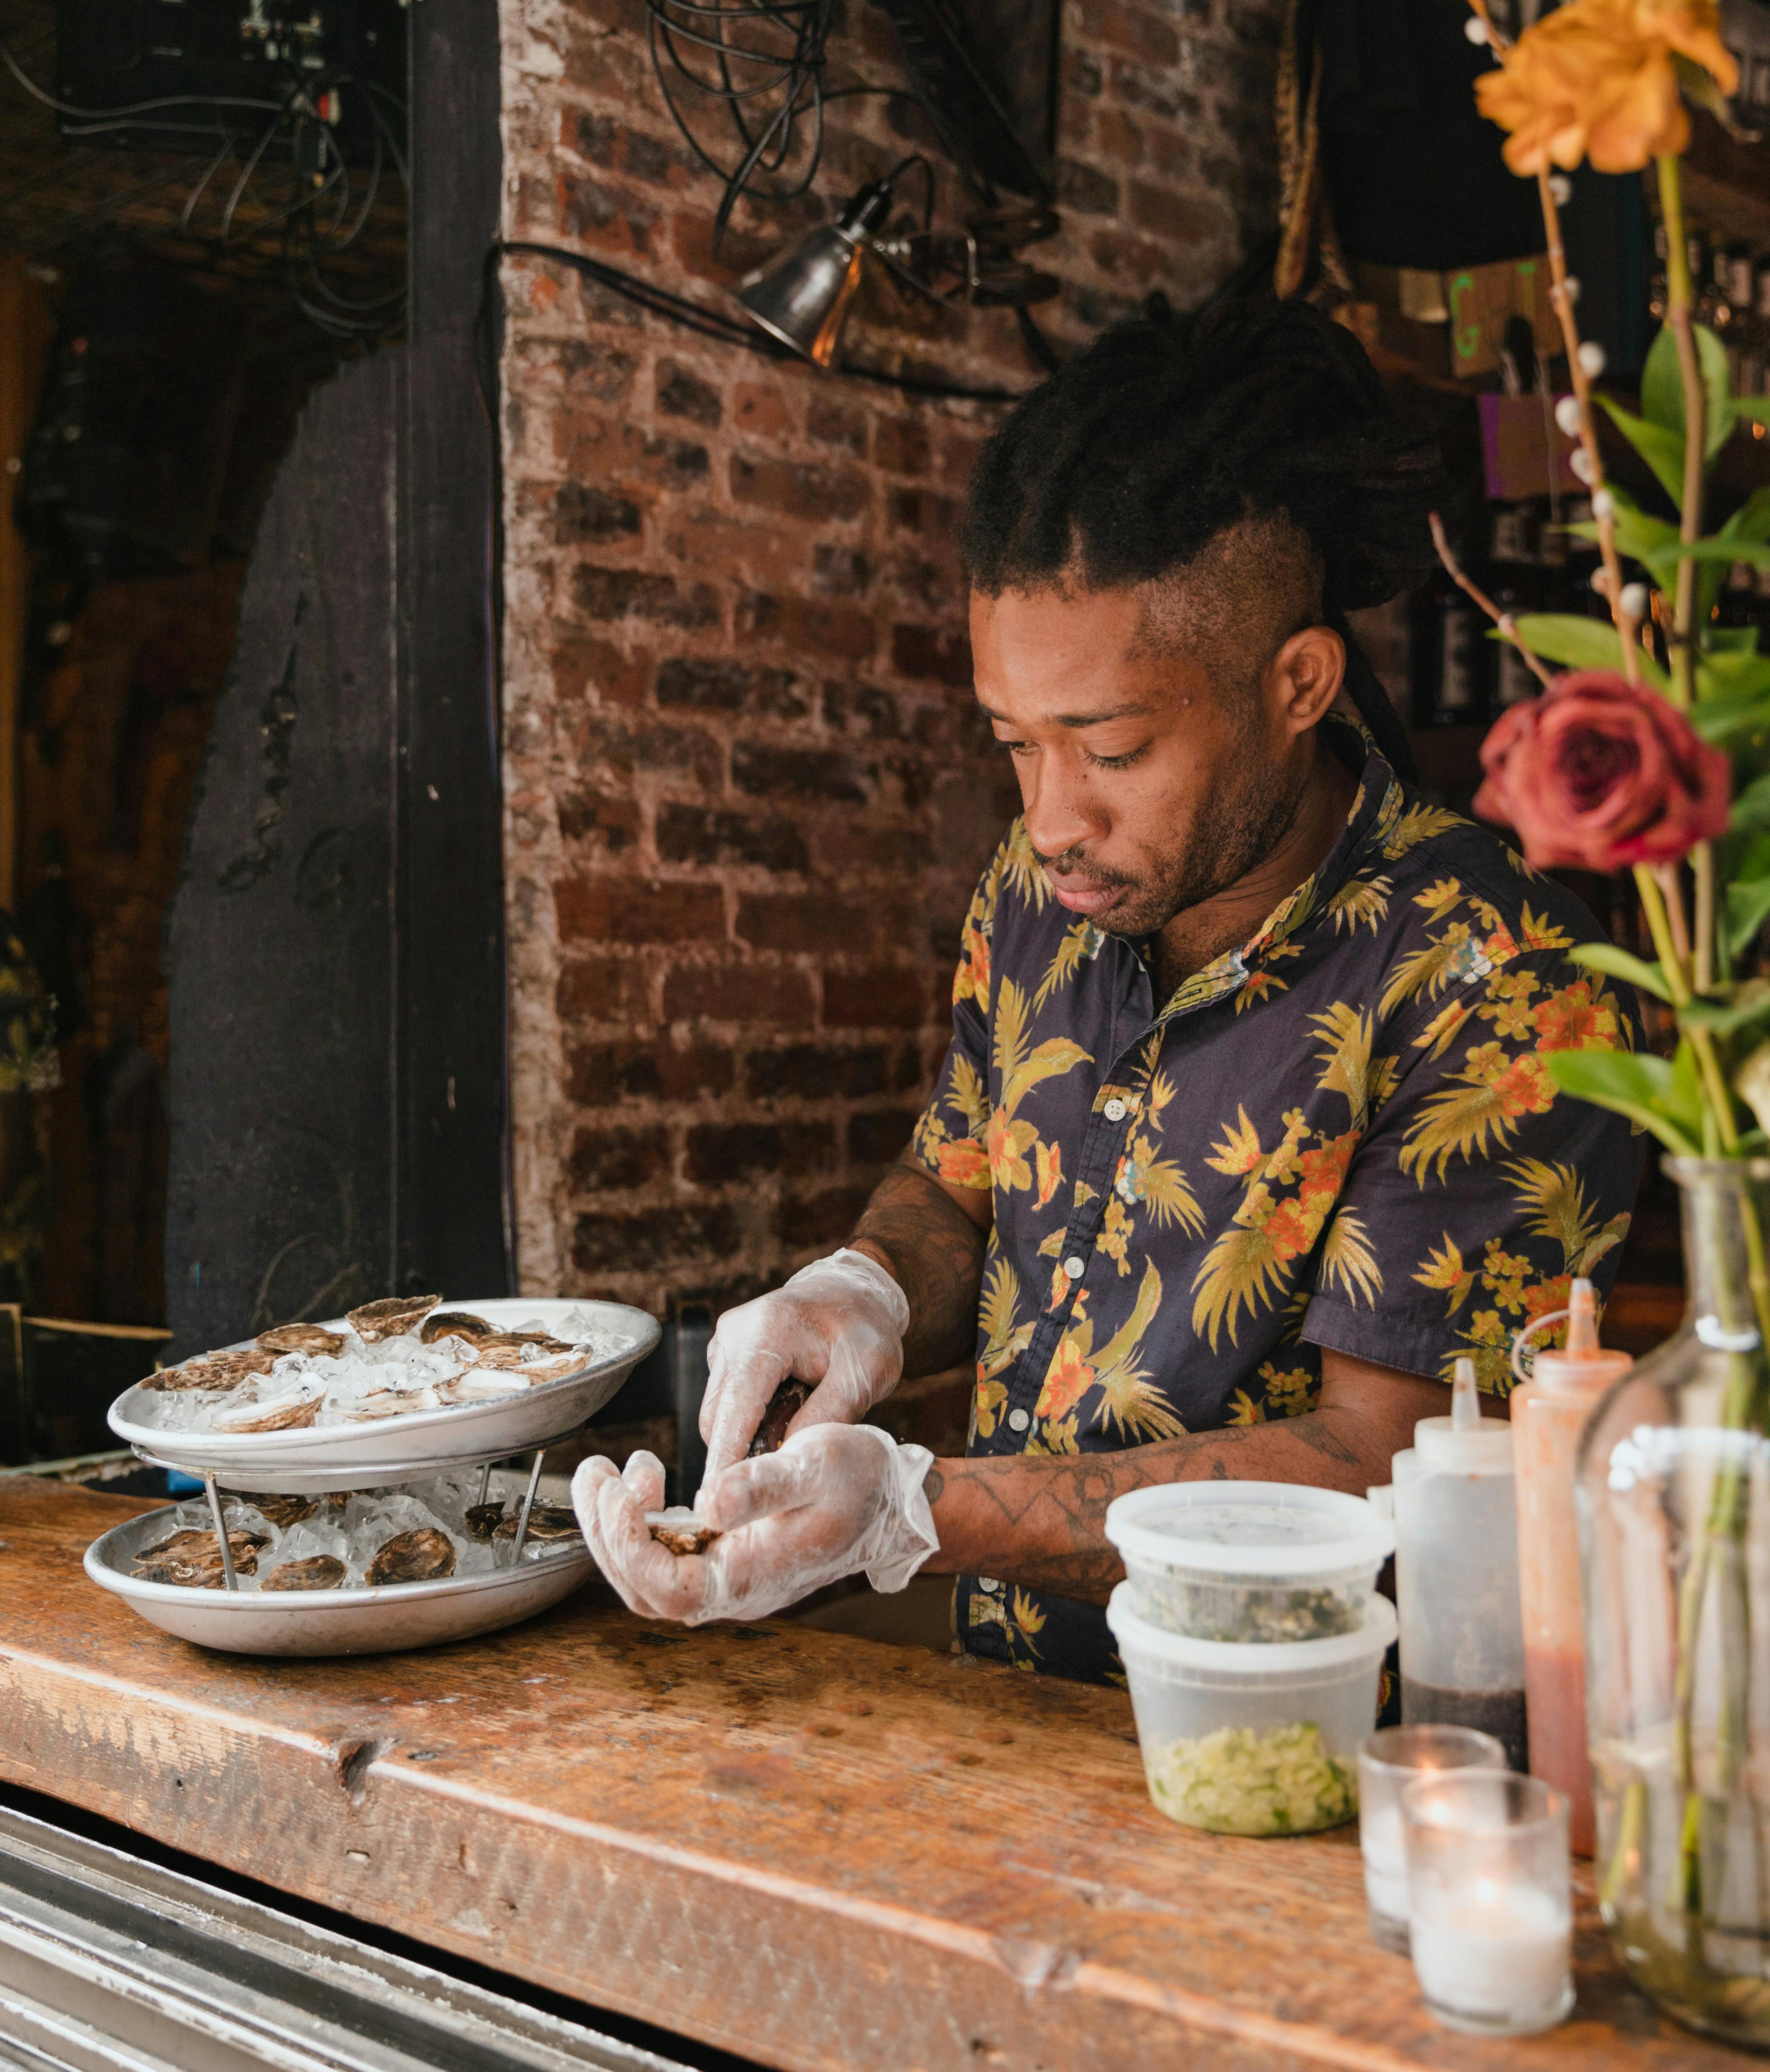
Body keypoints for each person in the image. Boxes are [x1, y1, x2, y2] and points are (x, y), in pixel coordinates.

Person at [573, 292, 1644, 1681]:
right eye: (1016, 742)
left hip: (1310, 1756)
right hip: (1003, 1712)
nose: (1053, 812)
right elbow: (958, 1178)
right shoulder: (1037, 894)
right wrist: (863, 1287)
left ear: (1298, 683)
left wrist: (912, 1511)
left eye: (1113, 747)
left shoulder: (1493, 980)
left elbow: (1397, 1466)